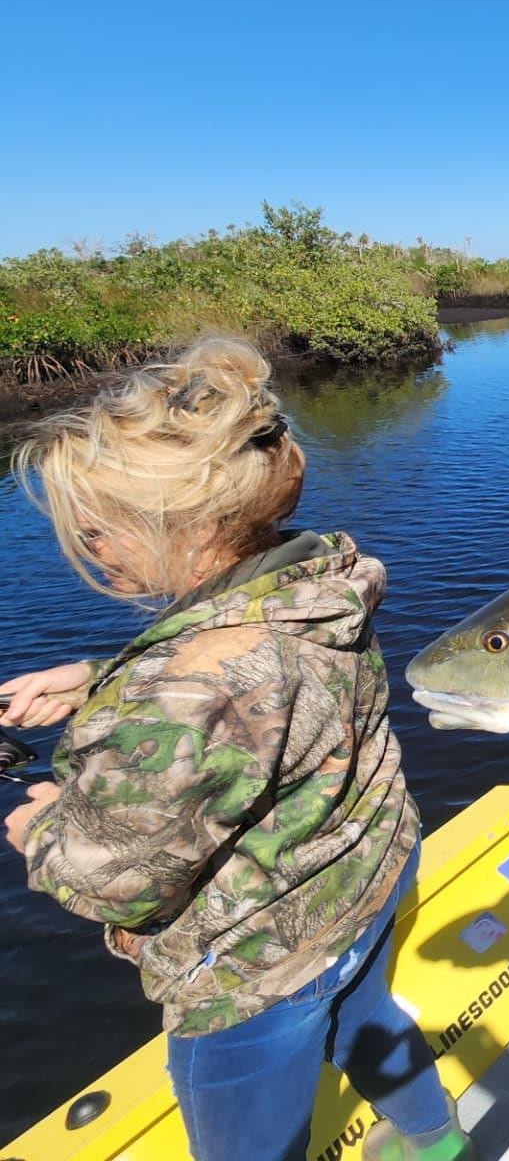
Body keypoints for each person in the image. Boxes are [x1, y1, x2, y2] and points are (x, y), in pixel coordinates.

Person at [1, 339, 471, 1161]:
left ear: (176, 527)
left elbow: (112, 876)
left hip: (251, 972)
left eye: (96, 532)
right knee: (371, 1019)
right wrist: (96, 678)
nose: (91, 549)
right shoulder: (321, 581)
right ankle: (435, 1142)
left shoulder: (188, 694)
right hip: (369, 883)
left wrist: (43, 830)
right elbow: (252, 671)